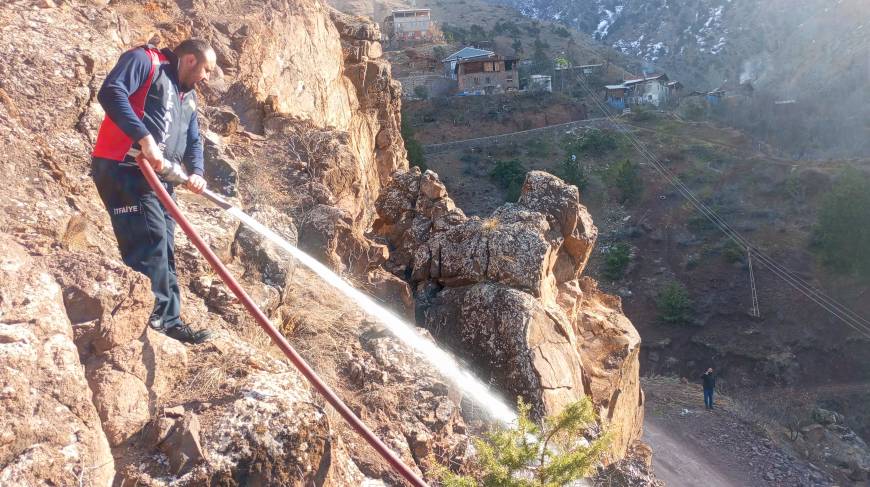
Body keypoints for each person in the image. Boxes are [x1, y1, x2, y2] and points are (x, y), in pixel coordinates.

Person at [91, 39, 217, 344]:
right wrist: (144, 138)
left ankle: (168, 318)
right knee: (151, 242)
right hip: (125, 169)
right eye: (207, 70)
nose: (207, 78)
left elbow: (194, 138)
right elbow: (111, 91)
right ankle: (156, 320)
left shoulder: (188, 95)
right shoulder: (145, 61)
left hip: (161, 180)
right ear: (189, 60)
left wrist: (197, 173)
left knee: (165, 244)